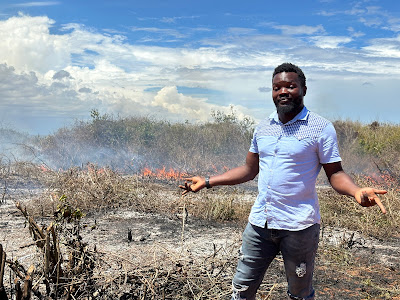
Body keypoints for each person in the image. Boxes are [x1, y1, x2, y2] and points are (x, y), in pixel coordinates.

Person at [179, 62, 387, 300]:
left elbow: (335, 173)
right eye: (277, 87)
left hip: (299, 227)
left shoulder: (320, 128)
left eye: (291, 86)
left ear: (304, 89)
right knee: (241, 289)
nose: (283, 92)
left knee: (299, 293)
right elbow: (249, 169)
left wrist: (357, 191)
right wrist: (207, 181)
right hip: (260, 224)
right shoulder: (263, 127)